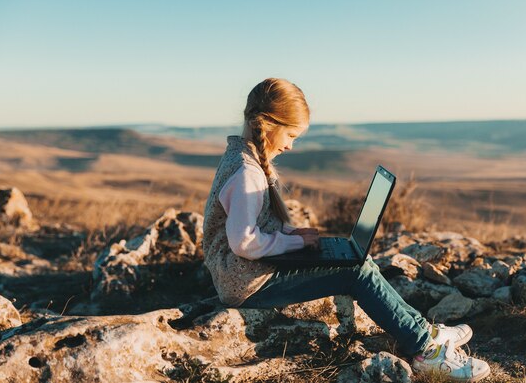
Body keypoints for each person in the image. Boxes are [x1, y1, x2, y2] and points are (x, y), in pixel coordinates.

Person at [202, 78, 491, 382]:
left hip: (249, 273)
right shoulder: (247, 172)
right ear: (269, 123)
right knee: (356, 272)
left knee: (359, 261)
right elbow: (245, 242)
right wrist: (290, 245)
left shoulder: (242, 157)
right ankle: (426, 352)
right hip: (248, 285)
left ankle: (424, 331)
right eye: (291, 135)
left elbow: (248, 233)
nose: (290, 145)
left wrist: (292, 238)